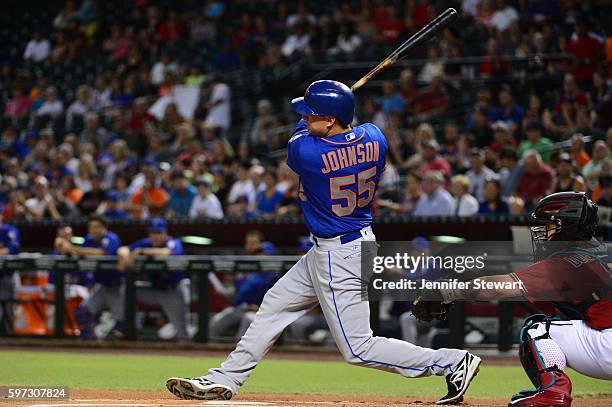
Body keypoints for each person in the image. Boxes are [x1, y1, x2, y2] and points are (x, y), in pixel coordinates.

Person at [166, 80, 480, 404]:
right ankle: (226, 379)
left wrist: (325, 116)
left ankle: (452, 362)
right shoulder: (375, 136)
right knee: (274, 305)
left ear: (330, 120)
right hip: (344, 244)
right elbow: (350, 130)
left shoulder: (305, 151)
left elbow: (300, 136)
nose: (303, 118)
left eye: (310, 114)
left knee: (359, 348)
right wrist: (333, 112)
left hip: (340, 254)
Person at [415, 192, 612, 406]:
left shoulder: (567, 262)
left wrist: (447, 293)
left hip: (608, 346)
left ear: (567, 226)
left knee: (536, 328)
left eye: (549, 226)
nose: (542, 233)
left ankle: (553, 392)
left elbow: (498, 288)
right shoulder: (601, 251)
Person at [117, 218, 189, 341]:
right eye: (153, 233)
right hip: (154, 290)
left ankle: (188, 350)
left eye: (159, 233)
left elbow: (168, 253)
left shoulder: (173, 242)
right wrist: (124, 255)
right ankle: (130, 327)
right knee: (127, 289)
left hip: (173, 291)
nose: (155, 236)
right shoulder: (146, 242)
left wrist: (141, 251)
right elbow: (124, 248)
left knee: (182, 332)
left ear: (165, 233)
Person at [56, 215, 122, 339]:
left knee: (121, 324)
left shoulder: (112, 238)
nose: (94, 230)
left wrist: (72, 248)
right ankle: (92, 343)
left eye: (97, 227)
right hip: (101, 287)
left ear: (105, 227)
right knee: (82, 313)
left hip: (118, 287)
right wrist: (65, 249)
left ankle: (122, 351)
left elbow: (102, 253)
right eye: (91, 227)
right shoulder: (88, 239)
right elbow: (79, 252)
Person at [0, 220, 20, 334]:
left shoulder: (9, 230)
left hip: (6, 274)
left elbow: (13, 249)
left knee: (7, 307)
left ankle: (9, 338)